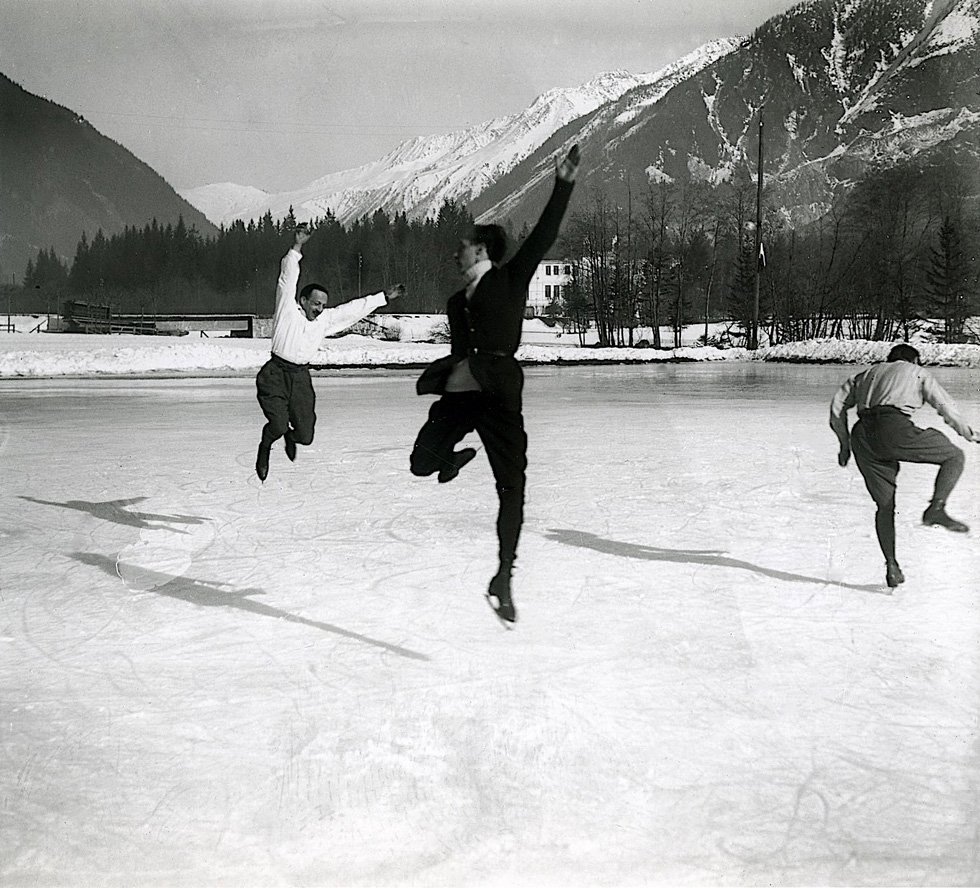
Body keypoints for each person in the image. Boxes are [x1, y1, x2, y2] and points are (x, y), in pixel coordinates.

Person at [410, 144, 581, 625]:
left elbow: (543, 236)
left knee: (513, 487)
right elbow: (462, 349)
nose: (455, 250)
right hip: (461, 395)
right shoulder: (452, 301)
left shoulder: (510, 280)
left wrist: (563, 184)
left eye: (462, 244)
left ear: (482, 250)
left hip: (500, 395)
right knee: (422, 464)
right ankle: (455, 458)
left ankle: (503, 577)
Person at [255, 224, 404, 481]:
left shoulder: (324, 320)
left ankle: (291, 437)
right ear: (302, 301)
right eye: (315, 303)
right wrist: (297, 246)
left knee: (306, 436)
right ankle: (265, 447)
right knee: (277, 425)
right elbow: (287, 278)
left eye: (323, 305)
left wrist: (384, 298)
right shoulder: (287, 310)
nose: (320, 309)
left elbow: (353, 309)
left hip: (300, 378)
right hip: (276, 374)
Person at [830, 343, 978, 588]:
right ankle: (936, 509)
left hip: (863, 438)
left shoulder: (865, 374)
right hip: (893, 428)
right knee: (954, 456)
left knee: (885, 506)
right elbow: (945, 405)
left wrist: (844, 444)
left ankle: (891, 565)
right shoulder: (915, 371)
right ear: (914, 360)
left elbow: (837, 406)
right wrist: (970, 434)